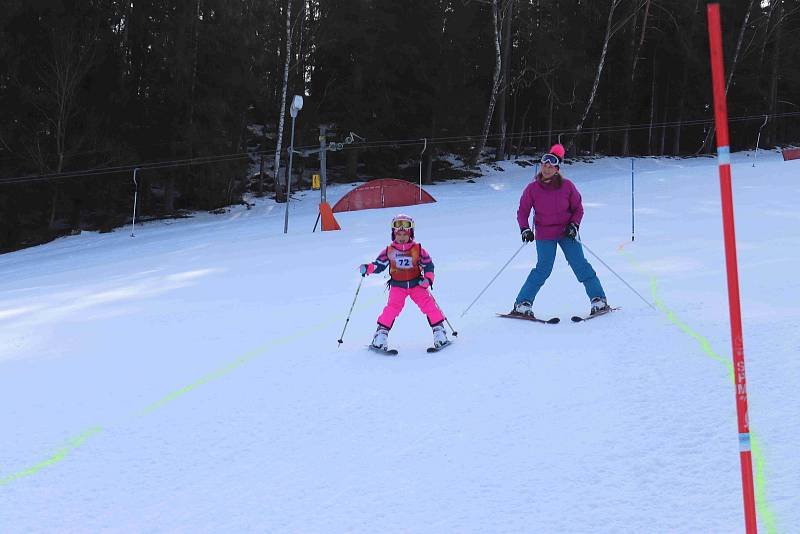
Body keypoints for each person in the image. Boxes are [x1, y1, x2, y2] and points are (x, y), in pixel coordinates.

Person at [511, 143, 610, 317]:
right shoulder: (532, 189)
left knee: (580, 265)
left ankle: (598, 300)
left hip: (567, 233)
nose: (546, 168)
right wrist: (525, 229)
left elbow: (578, 209)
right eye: (544, 165)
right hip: (545, 234)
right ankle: (522, 304)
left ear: (557, 169)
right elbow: (522, 211)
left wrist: (574, 225)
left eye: (551, 166)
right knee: (543, 269)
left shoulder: (567, 186)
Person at [359, 214, 449, 350]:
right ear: (394, 235)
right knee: (392, 309)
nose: (401, 238)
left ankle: (439, 333)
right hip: (397, 286)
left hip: (416, 284)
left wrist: (428, 279)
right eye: (398, 235)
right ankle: (380, 336)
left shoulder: (418, 250)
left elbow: (429, 265)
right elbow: (379, 265)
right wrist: (369, 268)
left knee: (429, 306)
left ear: (410, 234)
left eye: (405, 235)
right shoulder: (389, 251)